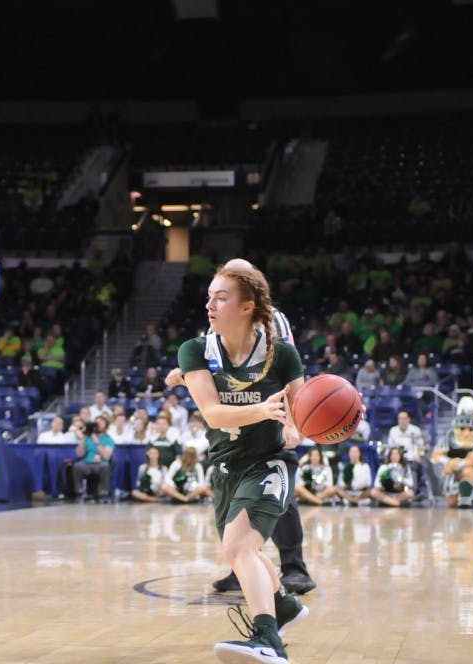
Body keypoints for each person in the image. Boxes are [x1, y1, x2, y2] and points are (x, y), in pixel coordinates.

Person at [176, 259, 307, 663]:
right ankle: (283, 604)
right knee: (241, 551)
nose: (210, 305)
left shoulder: (281, 354)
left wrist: (296, 426)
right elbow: (213, 414)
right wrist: (264, 410)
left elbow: (301, 413)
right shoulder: (195, 350)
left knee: (239, 548)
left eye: (221, 297)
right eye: (209, 297)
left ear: (247, 305)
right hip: (226, 464)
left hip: (270, 463)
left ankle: (269, 638)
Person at [432, 402, 473, 509]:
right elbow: (436, 456)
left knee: (469, 472)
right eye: (462, 428)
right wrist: (448, 462)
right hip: (448, 468)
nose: (466, 433)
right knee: (452, 502)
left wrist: (462, 462)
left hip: (466, 468)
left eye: (470, 429)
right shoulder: (447, 438)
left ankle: (467, 498)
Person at [72, 420, 114, 502]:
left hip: (101, 463)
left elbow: (106, 455)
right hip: (87, 463)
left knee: (105, 466)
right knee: (77, 466)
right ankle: (79, 492)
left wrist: (97, 443)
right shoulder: (87, 438)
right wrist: (83, 439)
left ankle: (103, 493)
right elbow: (79, 454)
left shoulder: (107, 439)